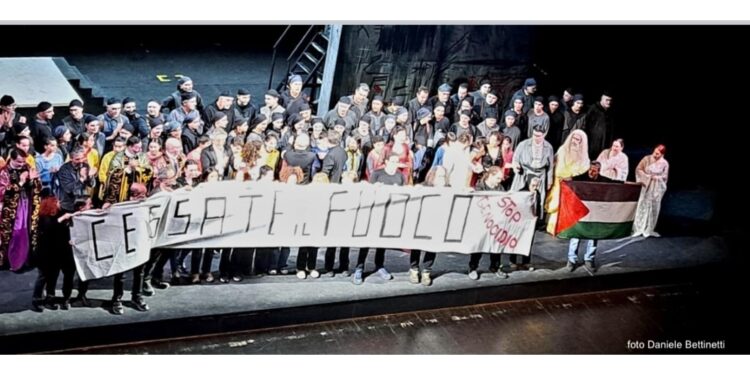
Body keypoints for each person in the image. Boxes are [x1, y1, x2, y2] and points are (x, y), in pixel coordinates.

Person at [353, 153, 405, 285]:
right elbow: (369, 191)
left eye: (397, 161)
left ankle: (379, 265)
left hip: (390, 213)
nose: (394, 164)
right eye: (392, 161)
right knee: (366, 242)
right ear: (386, 161)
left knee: (382, 242)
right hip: (375, 211)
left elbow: (405, 193)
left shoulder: (400, 176)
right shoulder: (377, 173)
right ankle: (359, 268)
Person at [565, 161, 622, 273]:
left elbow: (617, 183)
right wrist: (564, 179)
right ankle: (571, 260)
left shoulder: (602, 180)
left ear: (598, 171)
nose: (591, 172)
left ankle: (589, 259)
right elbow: (570, 180)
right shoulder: (583, 177)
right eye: (590, 169)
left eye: (594, 170)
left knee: (594, 235)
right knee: (575, 234)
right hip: (581, 212)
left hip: (595, 213)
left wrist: (634, 184)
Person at [0, 149, 42, 271]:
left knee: (27, 230)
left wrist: (34, 180)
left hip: (27, 204)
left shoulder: (27, 167)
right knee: (15, 232)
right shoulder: (4, 173)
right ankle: (12, 261)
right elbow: (3, 192)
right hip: (12, 209)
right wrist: (21, 182)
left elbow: (37, 186)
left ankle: (26, 259)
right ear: (12, 159)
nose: (21, 164)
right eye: (19, 162)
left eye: (23, 161)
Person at [545, 129, 589, 234]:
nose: (575, 141)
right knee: (554, 204)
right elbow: (554, 162)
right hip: (557, 181)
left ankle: (563, 229)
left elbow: (584, 168)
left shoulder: (583, 156)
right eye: (574, 138)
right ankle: (551, 228)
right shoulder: (562, 149)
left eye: (578, 140)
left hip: (570, 185)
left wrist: (572, 176)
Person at [468, 166, 508, 280]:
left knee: (496, 246)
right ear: (490, 175)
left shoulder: (500, 188)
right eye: (498, 178)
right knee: (479, 246)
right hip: (481, 222)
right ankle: (473, 268)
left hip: (495, 222)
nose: (499, 181)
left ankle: (495, 267)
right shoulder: (479, 187)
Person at [510, 126, 554, 217]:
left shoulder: (548, 147)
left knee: (538, 198)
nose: (536, 138)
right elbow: (515, 159)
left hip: (540, 174)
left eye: (539, 136)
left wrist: (549, 180)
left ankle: (536, 219)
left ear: (544, 135)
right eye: (534, 135)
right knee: (518, 195)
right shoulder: (523, 144)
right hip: (524, 172)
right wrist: (516, 166)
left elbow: (550, 166)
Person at [632, 145, 669, 238]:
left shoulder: (665, 163)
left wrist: (657, 178)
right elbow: (638, 169)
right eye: (654, 152)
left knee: (654, 207)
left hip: (656, 188)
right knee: (642, 205)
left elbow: (665, 177)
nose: (655, 155)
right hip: (646, 185)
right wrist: (647, 176)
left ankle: (649, 228)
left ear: (662, 154)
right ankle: (639, 228)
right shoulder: (646, 159)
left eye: (657, 154)